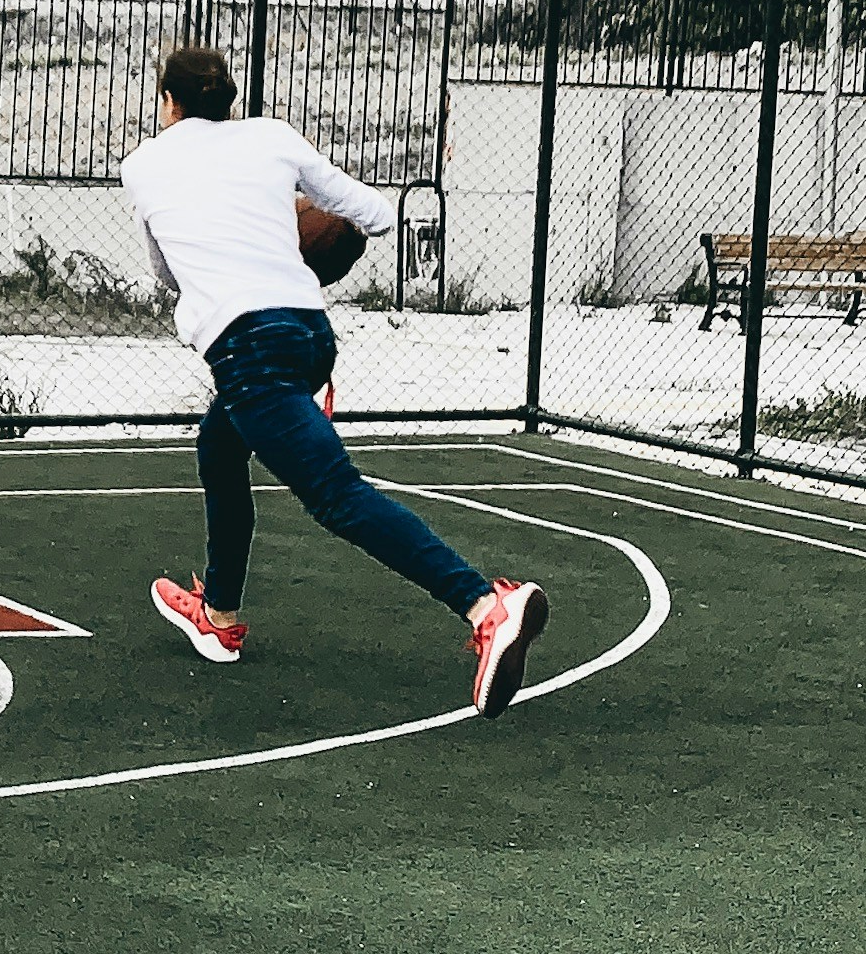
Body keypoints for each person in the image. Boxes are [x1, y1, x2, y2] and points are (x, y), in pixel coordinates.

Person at [118, 44, 546, 716]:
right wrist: (286, 228)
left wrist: (238, 239)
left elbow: (167, 273)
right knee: (219, 448)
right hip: (308, 335)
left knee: (337, 498)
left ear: (167, 102)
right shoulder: (270, 138)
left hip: (245, 349)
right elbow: (375, 215)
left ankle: (485, 606)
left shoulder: (142, 166)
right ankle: (219, 615)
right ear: (226, 99)